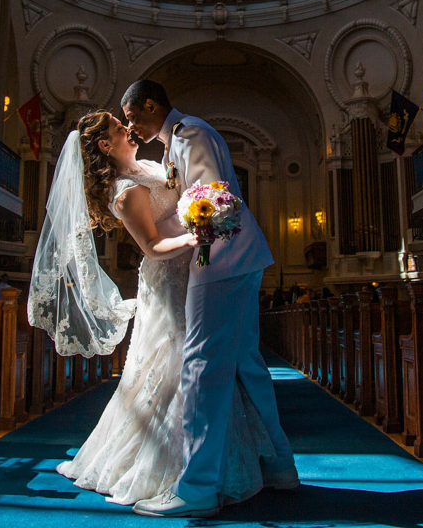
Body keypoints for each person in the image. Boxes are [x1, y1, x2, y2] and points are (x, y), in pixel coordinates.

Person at [28, 111, 275, 508]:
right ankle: (177, 467)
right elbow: (153, 246)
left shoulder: (150, 164)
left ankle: (211, 464)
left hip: (195, 272)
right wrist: (195, 236)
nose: (127, 128)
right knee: (178, 362)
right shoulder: (125, 191)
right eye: (117, 126)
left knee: (202, 361)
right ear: (105, 145)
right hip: (169, 278)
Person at [123, 80, 298, 519]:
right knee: (245, 363)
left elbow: (210, 200)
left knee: (201, 364)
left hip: (219, 258)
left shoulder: (190, 134)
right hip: (238, 256)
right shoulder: (176, 140)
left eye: (132, 116)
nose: (131, 126)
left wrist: (187, 244)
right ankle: (279, 465)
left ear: (150, 105)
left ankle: (198, 487)